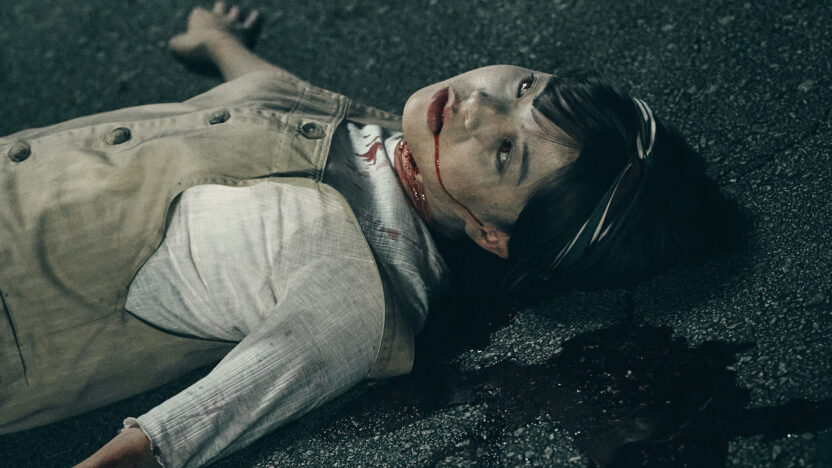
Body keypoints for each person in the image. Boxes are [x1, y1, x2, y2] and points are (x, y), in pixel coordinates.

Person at [0, 3, 740, 467]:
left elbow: (165, 444)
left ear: (490, 235)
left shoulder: (357, 298)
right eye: (525, 89)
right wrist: (216, 42)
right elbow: (268, 90)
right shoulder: (374, 130)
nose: (480, 104)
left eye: (504, 153)